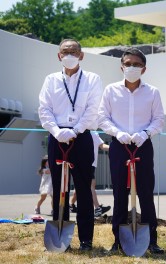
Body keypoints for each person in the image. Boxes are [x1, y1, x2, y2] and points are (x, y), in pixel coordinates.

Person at [98, 47, 165, 254]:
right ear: (121, 67)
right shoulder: (111, 90)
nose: (132, 67)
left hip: (143, 144)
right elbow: (102, 117)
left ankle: (151, 241)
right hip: (119, 144)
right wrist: (118, 134)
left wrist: (145, 134)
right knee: (120, 193)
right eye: (128, 64)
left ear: (144, 69)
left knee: (145, 193)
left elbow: (159, 120)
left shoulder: (152, 92)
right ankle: (118, 240)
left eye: (136, 64)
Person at [38, 38, 102, 251]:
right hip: (56, 137)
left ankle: (86, 239)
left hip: (82, 137)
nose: (70, 55)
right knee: (59, 187)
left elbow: (93, 109)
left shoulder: (92, 79)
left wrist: (75, 130)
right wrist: (56, 131)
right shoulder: (51, 79)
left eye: (74, 51)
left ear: (81, 55)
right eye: (65, 51)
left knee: (83, 189)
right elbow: (44, 108)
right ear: (59, 56)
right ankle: (59, 236)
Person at [70, 132, 111, 217]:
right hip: (86, 163)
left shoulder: (91, 133)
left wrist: (114, 148)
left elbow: (102, 146)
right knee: (91, 185)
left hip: (87, 163)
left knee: (81, 185)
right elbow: (102, 146)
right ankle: (97, 208)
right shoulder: (89, 133)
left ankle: (71, 205)